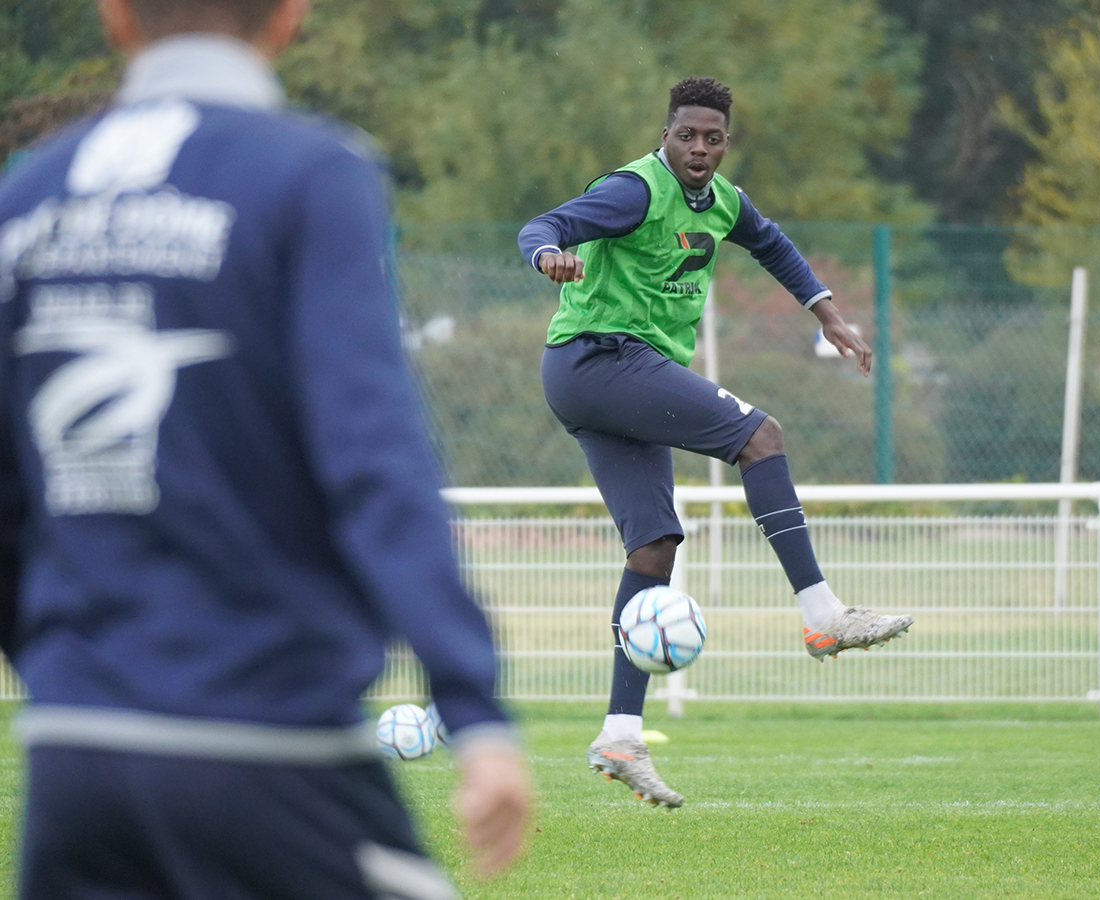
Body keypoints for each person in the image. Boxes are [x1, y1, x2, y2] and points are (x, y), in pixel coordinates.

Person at [0, 1, 531, 898]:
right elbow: (372, 455)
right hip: (266, 736)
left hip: (73, 756)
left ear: (114, 15)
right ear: (292, 14)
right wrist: (471, 706)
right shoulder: (311, 173)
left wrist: (73, 671)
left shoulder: (26, 199)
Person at [518, 76, 914, 808]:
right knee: (760, 436)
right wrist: (548, 257)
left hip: (609, 374)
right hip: (599, 358)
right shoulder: (634, 191)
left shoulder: (725, 200)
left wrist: (827, 315)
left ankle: (619, 733)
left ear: (725, 143)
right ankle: (823, 615)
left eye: (713, 138)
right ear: (665, 135)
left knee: (654, 549)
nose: (699, 149)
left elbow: (773, 244)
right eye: (686, 135)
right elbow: (541, 226)